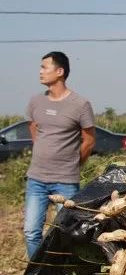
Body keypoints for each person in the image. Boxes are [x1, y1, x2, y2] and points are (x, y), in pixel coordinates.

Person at [24, 51, 96, 259]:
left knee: (66, 232)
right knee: (31, 232)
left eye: (44, 67)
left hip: (65, 181)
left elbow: (89, 140)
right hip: (36, 179)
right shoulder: (36, 102)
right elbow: (34, 131)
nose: (40, 72)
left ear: (60, 71)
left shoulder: (80, 105)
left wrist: (73, 164)